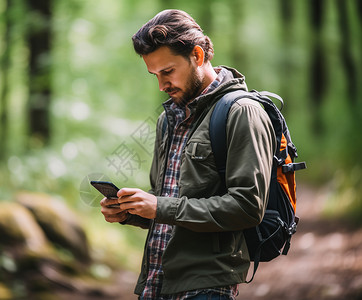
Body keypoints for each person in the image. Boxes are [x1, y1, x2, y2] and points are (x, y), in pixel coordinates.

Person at [100, 9, 276, 300]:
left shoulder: (242, 112)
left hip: (207, 286)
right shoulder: (168, 119)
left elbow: (247, 207)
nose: (161, 85)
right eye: (154, 75)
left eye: (167, 71)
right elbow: (166, 199)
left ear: (197, 54)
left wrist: (159, 206)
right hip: (156, 282)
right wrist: (130, 211)